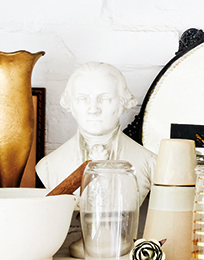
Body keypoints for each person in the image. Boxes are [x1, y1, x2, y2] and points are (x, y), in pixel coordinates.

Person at [35, 62, 153, 207]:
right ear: (70, 104)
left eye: (104, 99)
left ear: (123, 103)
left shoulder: (150, 164)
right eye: (82, 99)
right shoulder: (48, 167)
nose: (93, 109)